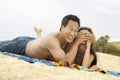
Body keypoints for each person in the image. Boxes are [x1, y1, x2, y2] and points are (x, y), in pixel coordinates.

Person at [0, 14, 87, 65]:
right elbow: (65, 62)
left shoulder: (68, 40)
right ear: (62, 27)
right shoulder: (52, 40)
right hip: (22, 46)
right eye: (70, 28)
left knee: (41, 44)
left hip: (34, 41)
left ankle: (39, 33)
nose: (73, 33)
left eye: (76, 30)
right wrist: (76, 43)